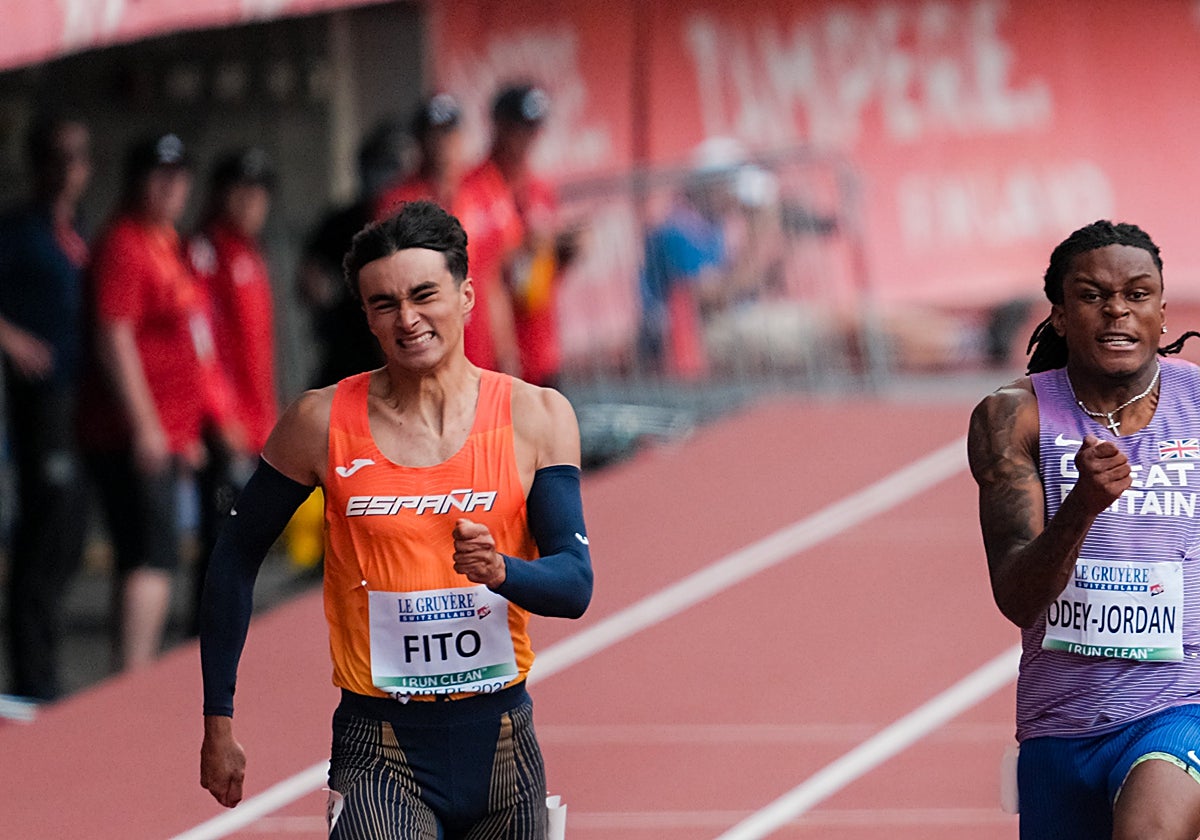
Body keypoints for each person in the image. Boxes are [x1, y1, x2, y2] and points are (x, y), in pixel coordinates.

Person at [198, 200, 594, 839]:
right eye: (384, 304)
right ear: (368, 318)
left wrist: (501, 570)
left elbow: (575, 585)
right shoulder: (319, 422)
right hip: (379, 747)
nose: (408, 319)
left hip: (502, 748)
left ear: (466, 295)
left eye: (424, 295)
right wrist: (219, 720)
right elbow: (235, 555)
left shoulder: (537, 417)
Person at [967, 219, 1200, 839]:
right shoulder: (1014, 419)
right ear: (1062, 315)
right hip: (1061, 720)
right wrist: (1080, 507)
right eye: (1093, 296)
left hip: (1183, 703)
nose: (1117, 310)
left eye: (1137, 294)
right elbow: (1016, 597)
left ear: (1161, 310)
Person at [79, 133, 234, 672]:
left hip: (169, 430)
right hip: (132, 433)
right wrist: (147, 425)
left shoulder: (165, 241)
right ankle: (133, 673)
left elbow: (188, 340)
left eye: (179, 175)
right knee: (151, 553)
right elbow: (114, 335)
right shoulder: (124, 243)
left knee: (155, 551)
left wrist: (186, 429)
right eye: (158, 175)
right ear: (136, 180)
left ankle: (133, 669)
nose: (170, 187)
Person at [0, 117, 91, 701]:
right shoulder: (17, 229)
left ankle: (47, 661)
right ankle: (32, 677)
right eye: (57, 157)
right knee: (46, 525)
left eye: (77, 157)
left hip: (79, 396)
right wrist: (9, 337)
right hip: (42, 398)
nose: (67, 169)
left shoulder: (74, 231)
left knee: (71, 529)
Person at [186, 147, 280, 634]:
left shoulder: (250, 253)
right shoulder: (207, 252)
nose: (252, 201)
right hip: (224, 420)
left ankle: (225, 618)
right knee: (221, 527)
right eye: (242, 190)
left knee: (242, 526)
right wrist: (222, 417)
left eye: (259, 192)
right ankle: (207, 627)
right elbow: (202, 343)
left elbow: (257, 349)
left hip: (253, 416)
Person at [377, 93, 524, 379]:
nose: (442, 145)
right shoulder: (396, 202)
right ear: (419, 141)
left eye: (449, 133)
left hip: (481, 349)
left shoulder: (486, 189)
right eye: (433, 135)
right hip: (426, 353)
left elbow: (494, 279)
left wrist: (507, 349)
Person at [485, 84, 582, 388]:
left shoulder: (540, 189)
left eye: (534, 128)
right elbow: (477, 269)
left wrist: (563, 253)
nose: (527, 137)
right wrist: (521, 248)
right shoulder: (474, 189)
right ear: (498, 124)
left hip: (541, 346)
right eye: (519, 127)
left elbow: (541, 275)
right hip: (492, 356)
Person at [298, 120, 409, 388]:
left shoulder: (412, 224)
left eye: (390, 168)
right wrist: (327, 297)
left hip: (403, 348)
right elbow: (309, 277)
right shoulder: (342, 222)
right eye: (376, 167)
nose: (382, 178)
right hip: (350, 350)